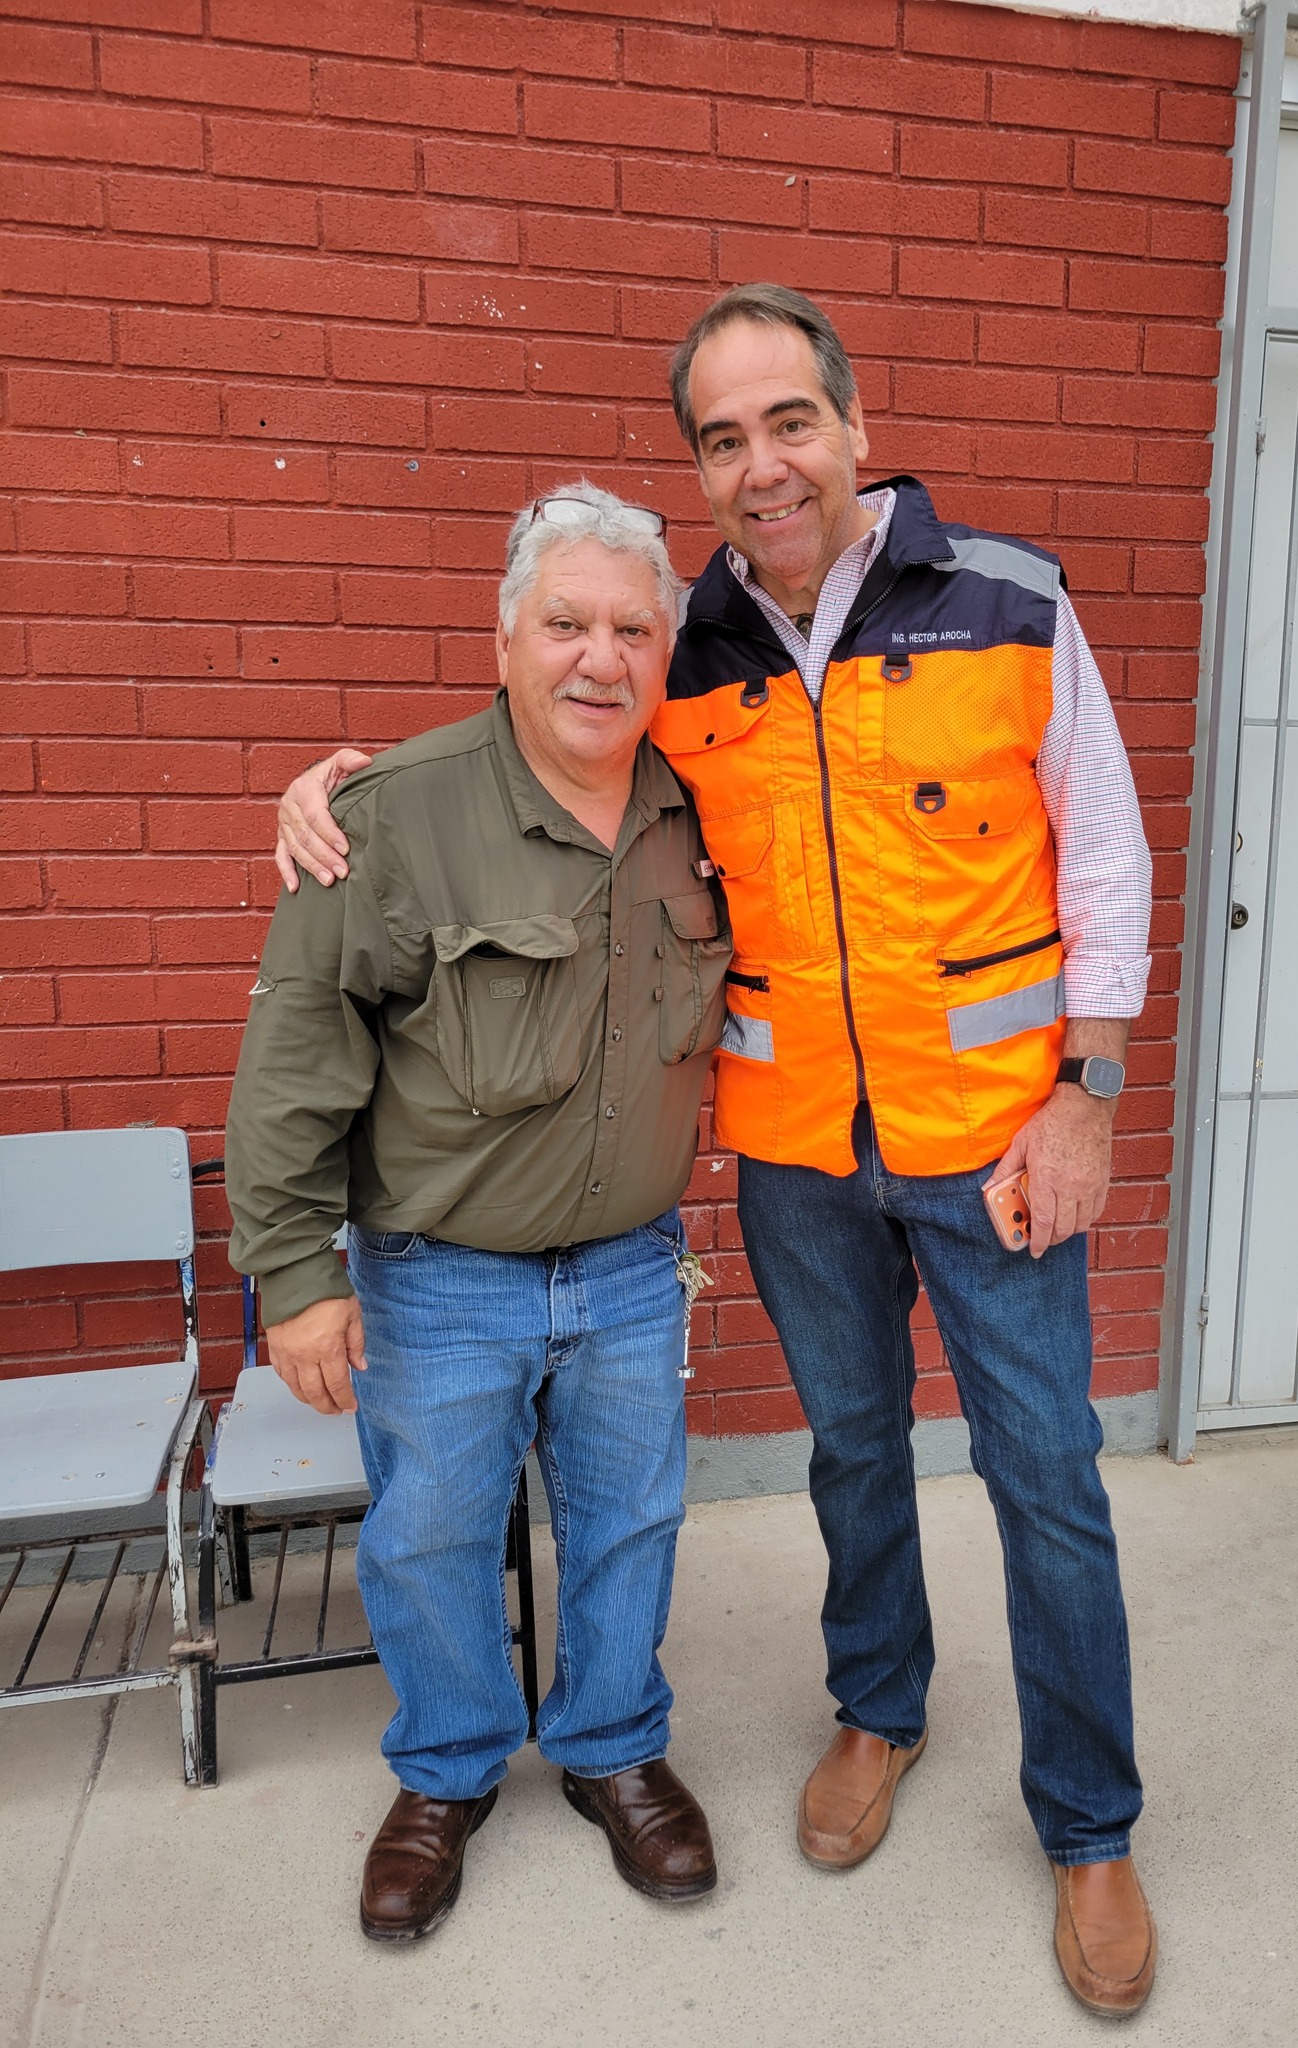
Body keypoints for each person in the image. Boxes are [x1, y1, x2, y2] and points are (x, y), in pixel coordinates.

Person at [277, 285, 1157, 2017]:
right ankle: (879, 1713)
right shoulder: (689, 658)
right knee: (849, 1453)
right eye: (723, 438)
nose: (763, 465)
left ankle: (1091, 1826)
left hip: (996, 1150)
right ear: (698, 465)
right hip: (790, 1157)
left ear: (852, 421)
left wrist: (1091, 1094)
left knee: (1049, 1477)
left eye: (790, 422)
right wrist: (341, 796)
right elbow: (547, 753)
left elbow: (1109, 854)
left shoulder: (1013, 602)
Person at [228, 484, 729, 1943]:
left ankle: (613, 1750)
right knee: (432, 1536)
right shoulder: (388, 820)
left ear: (666, 648)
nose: (601, 658)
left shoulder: (702, 808)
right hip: (444, 1278)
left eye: (634, 628)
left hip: (635, 1269)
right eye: (565, 622)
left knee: (631, 1523)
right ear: (504, 634)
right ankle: (446, 1770)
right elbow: (295, 1063)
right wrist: (292, 1274)